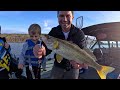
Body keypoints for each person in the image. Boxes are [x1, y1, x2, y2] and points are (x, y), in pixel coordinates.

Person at [33, 11, 88, 79]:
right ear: (58, 17)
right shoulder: (54, 31)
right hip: (57, 66)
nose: (64, 19)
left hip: (73, 69)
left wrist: (81, 65)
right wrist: (41, 49)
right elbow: (46, 47)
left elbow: (84, 51)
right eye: (61, 16)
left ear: (72, 17)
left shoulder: (79, 33)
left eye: (68, 16)